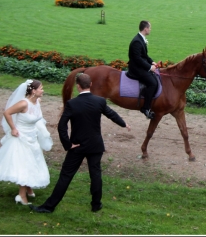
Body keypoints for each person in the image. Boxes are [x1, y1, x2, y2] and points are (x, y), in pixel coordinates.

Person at [29, 73, 131, 214]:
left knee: (66, 175)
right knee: (95, 174)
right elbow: (111, 114)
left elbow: (61, 126)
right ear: (90, 85)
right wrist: (124, 124)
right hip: (95, 145)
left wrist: (68, 144)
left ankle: (48, 207)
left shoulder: (72, 104)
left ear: (78, 87)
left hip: (77, 146)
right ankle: (96, 204)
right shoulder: (100, 101)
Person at [0, 79, 52, 205]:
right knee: (26, 164)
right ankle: (21, 196)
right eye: (41, 88)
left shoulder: (37, 101)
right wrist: (13, 129)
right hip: (21, 138)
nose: (43, 90)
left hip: (32, 137)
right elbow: (7, 113)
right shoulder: (23, 104)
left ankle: (28, 188)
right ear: (33, 91)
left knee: (33, 161)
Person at [127, 20, 158, 119]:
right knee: (153, 83)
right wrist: (149, 67)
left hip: (139, 65)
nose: (150, 29)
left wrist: (151, 62)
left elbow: (144, 56)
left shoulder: (140, 39)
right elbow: (137, 59)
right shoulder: (137, 41)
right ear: (145, 29)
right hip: (136, 68)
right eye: (150, 28)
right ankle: (145, 108)